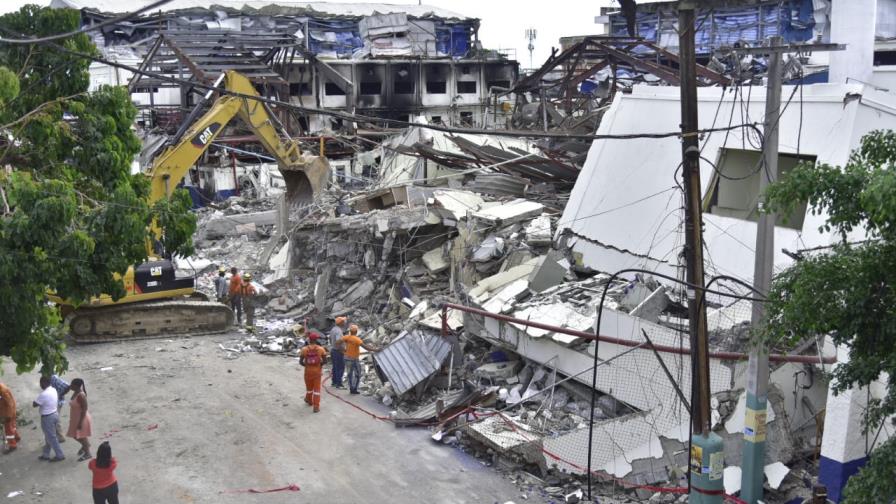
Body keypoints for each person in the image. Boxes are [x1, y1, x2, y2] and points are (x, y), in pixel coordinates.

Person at [340, 324, 379, 395]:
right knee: (357, 374)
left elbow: (338, 342)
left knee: (349, 374)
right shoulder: (357, 340)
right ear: (356, 331)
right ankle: (354, 389)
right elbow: (366, 347)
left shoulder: (346, 337)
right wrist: (376, 349)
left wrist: (342, 350)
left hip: (347, 358)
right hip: (354, 359)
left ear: (350, 331)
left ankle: (351, 388)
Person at [33, 376, 64, 461]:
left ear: (43, 383)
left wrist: (37, 399)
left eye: (40, 383)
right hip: (54, 414)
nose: (40, 385)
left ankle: (60, 455)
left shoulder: (43, 394)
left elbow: (34, 404)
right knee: (48, 436)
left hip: (47, 417)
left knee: (51, 437)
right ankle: (46, 454)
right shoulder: (53, 389)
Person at [299, 333, 328, 413]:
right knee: (317, 390)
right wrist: (319, 365)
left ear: (309, 340)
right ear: (316, 340)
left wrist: (307, 366)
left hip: (308, 372)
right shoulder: (321, 349)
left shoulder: (304, 349)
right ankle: (316, 406)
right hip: (317, 372)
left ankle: (308, 399)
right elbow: (325, 361)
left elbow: (301, 362)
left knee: (309, 388)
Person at [67, 378, 93, 461]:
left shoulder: (81, 395)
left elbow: (84, 409)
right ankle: (86, 446)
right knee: (75, 435)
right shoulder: (75, 392)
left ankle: (87, 453)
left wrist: (80, 423)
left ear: (76, 386)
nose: (70, 386)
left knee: (81, 436)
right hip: (75, 418)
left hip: (82, 419)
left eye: (72, 384)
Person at [0, 382, 20, 453]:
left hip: (8, 413)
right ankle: (16, 437)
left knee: (8, 429)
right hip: (10, 411)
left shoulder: (3, 391)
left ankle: (12, 445)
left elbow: (9, 403)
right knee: (12, 426)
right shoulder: (2, 388)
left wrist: (8, 416)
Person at [50, 374, 70, 442]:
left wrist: (60, 394)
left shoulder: (53, 377)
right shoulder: (49, 378)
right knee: (54, 420)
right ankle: (57, 436)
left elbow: (67, 386)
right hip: (53, 402)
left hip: (57, 402)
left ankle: (60, 437)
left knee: (55, 420)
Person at [328, 316, 347, 388]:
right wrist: (342, 350)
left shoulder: (333, 329)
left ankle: (334, 382)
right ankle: (339, 384)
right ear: (341, 323)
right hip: (337, 351)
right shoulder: (338, 331)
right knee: (340, 367)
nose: (345, 323)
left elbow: (330, 339)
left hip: (333, 350)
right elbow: (338, 342)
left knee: (335, 367)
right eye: (344, 321)